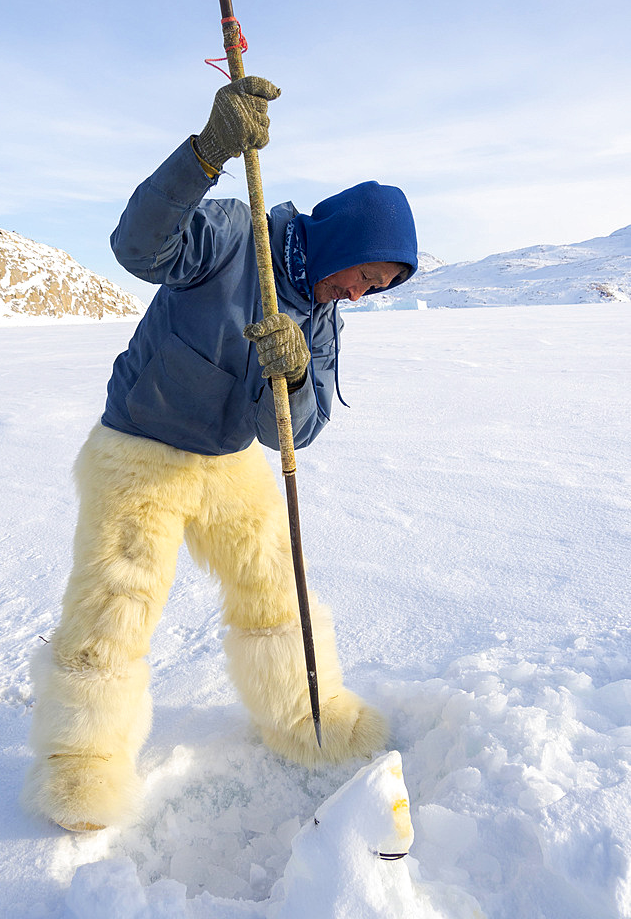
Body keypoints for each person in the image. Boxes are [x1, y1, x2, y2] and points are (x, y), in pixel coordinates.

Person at [22, 76, 419, 832]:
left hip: (227, 463)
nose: (360, 296)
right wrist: (206, 154)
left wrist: (297, 373)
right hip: (140, 451)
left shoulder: (324, 315)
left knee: (277, 584)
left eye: (376, 290)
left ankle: (306, 711)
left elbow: (294, 434)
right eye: (365, 277)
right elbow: (137, 246)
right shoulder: (239, 236)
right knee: (116, 602)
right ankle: (80, 764)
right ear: (348, 243)